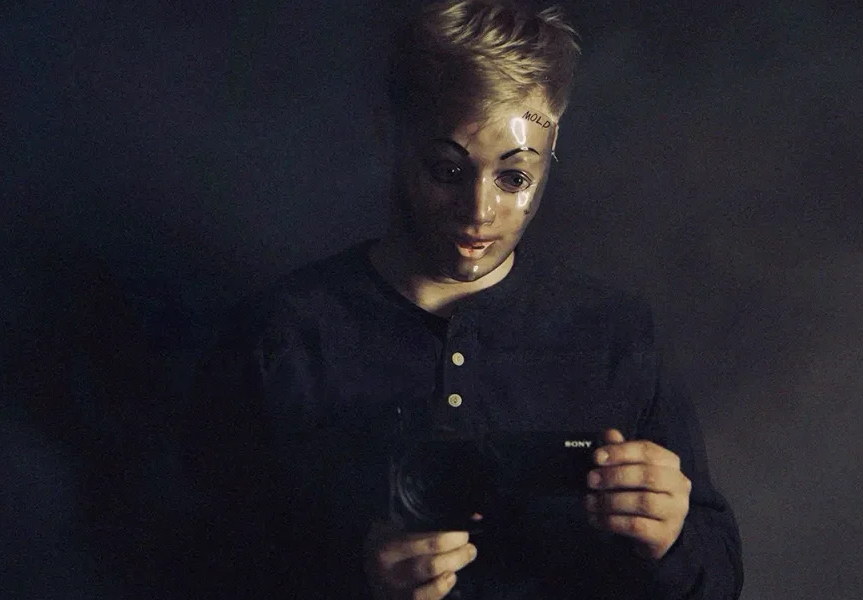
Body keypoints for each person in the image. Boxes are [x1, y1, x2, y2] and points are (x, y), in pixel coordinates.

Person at [183, 1, 743, 598]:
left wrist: (671, 538)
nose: (480, 211)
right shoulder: (282, 336)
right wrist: (355, 578)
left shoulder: (614, 335)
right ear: (389, 134)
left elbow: (719, 579)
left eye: (514, 177)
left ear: (552, 146)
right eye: (447, 170)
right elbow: (191, 564)